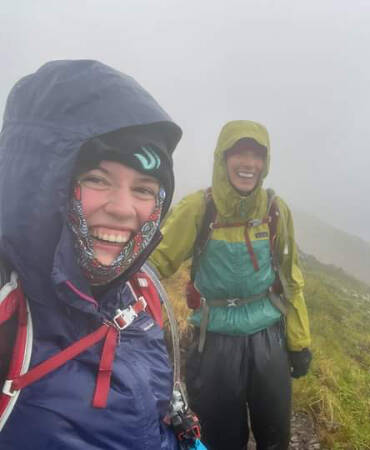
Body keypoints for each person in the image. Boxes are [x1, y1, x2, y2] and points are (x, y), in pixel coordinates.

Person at [0, 60, 185, 449]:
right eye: (97, 179)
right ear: (41, 180)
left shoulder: (140, 290)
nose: (123, 209)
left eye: (144, 189)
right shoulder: (8, 309)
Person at [149, 120, 312, 449]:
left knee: (275, 436)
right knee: (220, 438)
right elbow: (156, 263)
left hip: (269, 340)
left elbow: (290, 278)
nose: (248, 163)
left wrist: (299, 341)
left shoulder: (276, 211)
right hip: (215, 343)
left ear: (265, 164)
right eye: (239, 152)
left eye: (257, 155)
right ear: (222, 158)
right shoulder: (200, 208)